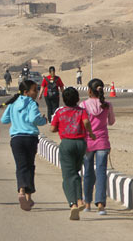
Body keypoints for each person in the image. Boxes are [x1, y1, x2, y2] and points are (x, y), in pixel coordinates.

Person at [0, 80, 47, 211]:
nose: (36, 92)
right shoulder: (32, 104)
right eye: (34, 90)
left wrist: (16, 118)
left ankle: (21, 191)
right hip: (30, 139)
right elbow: (33, 119)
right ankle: (28, 196)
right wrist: (43, 120)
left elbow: (4, 120)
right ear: (26, 92)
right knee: (30, 166)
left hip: (16, 139)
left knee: (21, 166)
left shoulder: (13, 103)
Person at [50, 87, 96, 221]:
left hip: (67, 144)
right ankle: (80, 199)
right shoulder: (82, 111)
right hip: (80, 143)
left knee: (67, 176)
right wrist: (91, 134)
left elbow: (52, 128)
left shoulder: (60, 111)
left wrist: (61, 126)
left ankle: (73, 204)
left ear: (63, 99)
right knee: (75, 172)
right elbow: (86, 122)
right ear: (77, 99)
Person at [81, 78, 115, 215]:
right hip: (102, 142)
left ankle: (87, 203)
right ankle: (101, 205)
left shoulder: (83, 105)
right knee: (101, 173)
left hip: (88, 142)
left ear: (89, 90)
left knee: (88, 173)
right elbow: (111, 122)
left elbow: (81, 124)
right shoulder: (107, 105)